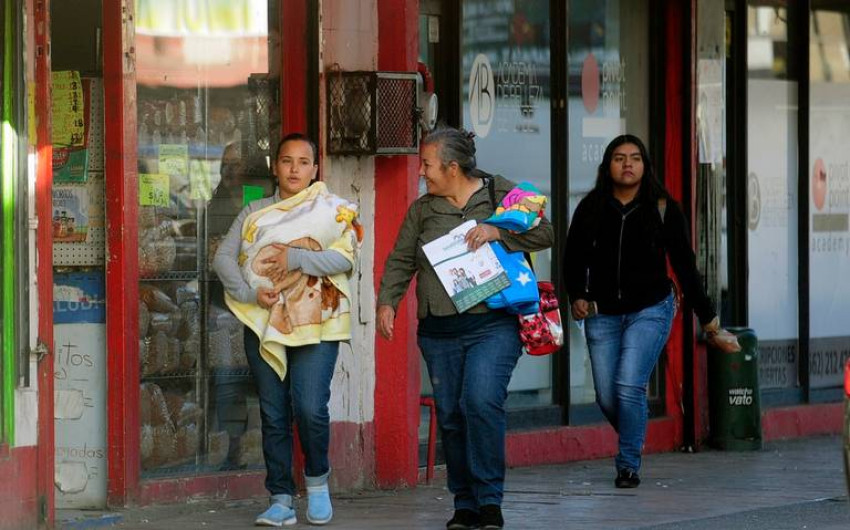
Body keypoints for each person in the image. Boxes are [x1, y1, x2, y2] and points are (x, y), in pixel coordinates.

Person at [377, 126, 554, 530]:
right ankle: (465, 503)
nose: (422, 172)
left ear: (452, 167)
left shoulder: (498, 192)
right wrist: (388, 301)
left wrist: (498, 231)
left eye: (427, 164)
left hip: (493, 324)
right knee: (453, 415)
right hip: (439, 330)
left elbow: (545, 231)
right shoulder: (423, 210)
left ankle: (490, 501)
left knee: (480, 402)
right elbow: (402, 259)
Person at [564, 134, 740, 489]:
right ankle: (634, 431)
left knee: (629, 385)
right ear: (607, 166)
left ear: (645, 165)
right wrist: (577, 295)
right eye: (618, 158)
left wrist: (709, 322)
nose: (627, 164)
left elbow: (686, 268)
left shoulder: (662, 208)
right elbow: (573, 257)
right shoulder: (591, 207)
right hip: (602, 314)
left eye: (635, 158)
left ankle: (628, 464)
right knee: (606, 395)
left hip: (651, 309)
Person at [213, 133, 361, 526]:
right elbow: (223, 258)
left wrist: (295, 256)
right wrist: (248, 292)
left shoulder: (331, 210)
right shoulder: (254, 211)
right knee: (274, 411)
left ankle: (316, 481)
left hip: (317, 323)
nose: (294, 169)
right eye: (286, 161)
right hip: (264, 320)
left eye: (303, 162)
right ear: (275, 167)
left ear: (315, 169)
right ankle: (280, 496)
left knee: (310, 408)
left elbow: (344, 261)